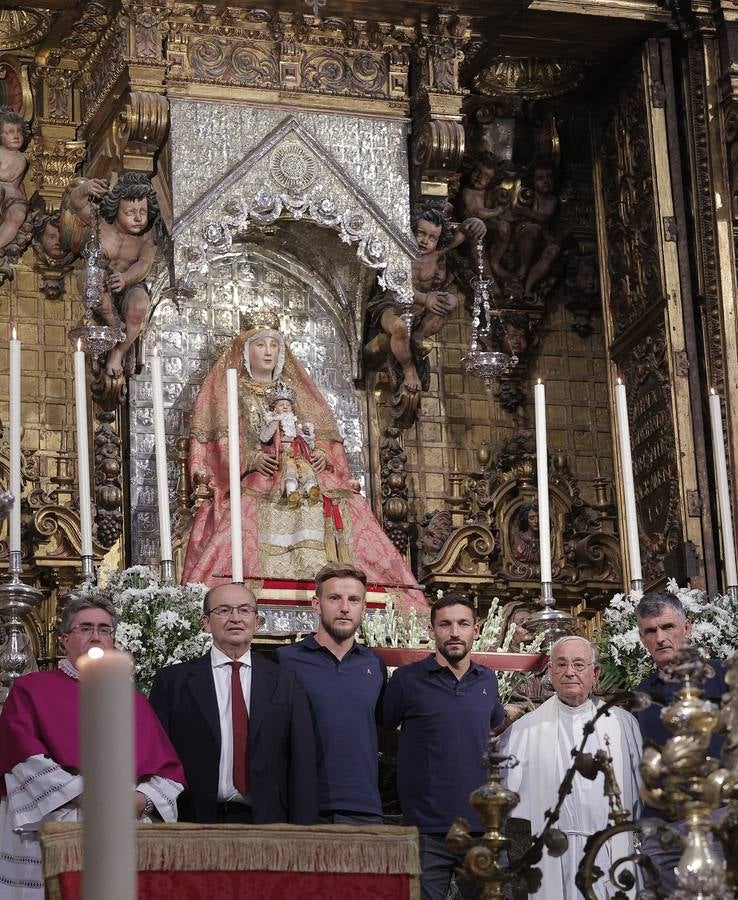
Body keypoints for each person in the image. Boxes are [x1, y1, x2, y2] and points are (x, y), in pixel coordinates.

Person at [182, 309, 427, 611]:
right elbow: (219, 442)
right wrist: (250, 459)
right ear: (245, 351)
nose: (268, 352)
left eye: (274, 345)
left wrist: (322, 454)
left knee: (343, 503)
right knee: (246, 509)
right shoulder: (230, 390)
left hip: (302, 466)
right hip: (260, 474)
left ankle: (360, 590)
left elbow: (318, 434)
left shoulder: (296, 394)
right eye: (260, 345)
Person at [0, 594, 185, 900]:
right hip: (55, 823)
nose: (96, 636)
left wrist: (140, 801)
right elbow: (22, 758)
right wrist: (89, 795)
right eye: (85, 628)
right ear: (64, 640)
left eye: (104, 629)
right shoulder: (31, 689)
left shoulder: (134, 701)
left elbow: (168, 772)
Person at [149, 582, 318, 824]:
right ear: (205, 622)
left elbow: (302, 761)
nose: (235, 618)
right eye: (224, 610)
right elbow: (157, 757)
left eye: (244, 610)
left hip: (267, 821)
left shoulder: (285, 682)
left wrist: (304, 830)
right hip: (193, 819)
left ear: (257, 622)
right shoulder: (173, 682)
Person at [383, 593, 505, 900]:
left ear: (476, 629)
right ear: (431, 631)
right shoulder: (407, 680)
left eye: (463, 624)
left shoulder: (487, 679)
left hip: (480, 827)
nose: (454, 632)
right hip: (426, 830)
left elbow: (493, 725)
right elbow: (381, 732)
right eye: (445, 624)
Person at [502, 636, 642, 899]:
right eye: (561, 664)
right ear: (551, 673)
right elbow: (503, 796)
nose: (570, 672)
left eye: (579, 664)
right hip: (553, 852)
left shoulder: (623, 724)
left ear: (595, 673)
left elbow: (640, 790)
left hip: (609, 850)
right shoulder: (526, 729)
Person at [275, 563, 386, 824]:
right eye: (334, 598)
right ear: (317, 604)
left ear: (363, 607)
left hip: (365, 807)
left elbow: (382, 730)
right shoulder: (285, 661)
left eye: (354, 600)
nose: (345, 607)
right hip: (305, 806)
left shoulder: (374, 664)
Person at [634, 591, 728, 893]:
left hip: (718, 819)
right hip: (661, 824)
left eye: (668, 627)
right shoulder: (641, 695)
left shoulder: (723, 677)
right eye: (651, 631)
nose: (660, 637)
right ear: (642, 638)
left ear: (687, 628)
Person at [367, 203, 485, 394]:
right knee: (399, 327)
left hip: (419, 309)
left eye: (432, 238)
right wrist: (424, 298)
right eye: (420, 233)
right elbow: (396, 285)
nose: (424, 241)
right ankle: (409, 369)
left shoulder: (438, 252)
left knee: (451, 301)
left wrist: (477, 223)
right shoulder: (398, 249)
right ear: (411, 229)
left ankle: (419, 335)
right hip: (391, 305)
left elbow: (464, 230)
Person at [62, 173, 161, 377]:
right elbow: (76, 203)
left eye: (143, 211)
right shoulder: (98, 224)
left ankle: (118, 353)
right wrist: (85, 188)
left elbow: (145, 263)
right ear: (116, 209)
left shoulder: (147, 236)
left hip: (128, 285)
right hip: (99, 280)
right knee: (91, 278)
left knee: (140, 304)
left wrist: (126, 278)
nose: (138, 218)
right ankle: (114, 322)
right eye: (130, 212)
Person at [260, 381, 319, 507]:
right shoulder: (274, 422)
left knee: (306, 470)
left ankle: (312, 490)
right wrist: (275, 420)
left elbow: (306, 441)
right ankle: (291, 493)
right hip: (284, 453)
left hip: (298, 452)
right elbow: (265, 438)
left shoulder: (295, 423)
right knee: (290, 472)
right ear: (275, 408)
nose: (285, 407)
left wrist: (306, 433)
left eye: (288, 405)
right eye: (281, 405)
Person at [455, 152, 512, 280]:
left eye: (486, 176)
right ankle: (489, 281)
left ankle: (495, 262)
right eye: (477, 171)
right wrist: (497, 210)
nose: (480, 177)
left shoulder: (488, 193)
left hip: (488, 227)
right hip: (472, 228)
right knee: (477, 243)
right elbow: (477, 212)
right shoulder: (467, 191)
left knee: (504, 227)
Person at [0, 106, 29, 253]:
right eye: (10, 132)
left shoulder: (20, 158)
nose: (16, 136)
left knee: (18, 215)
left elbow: (9, 175)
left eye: (19, 132)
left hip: (13, 197)